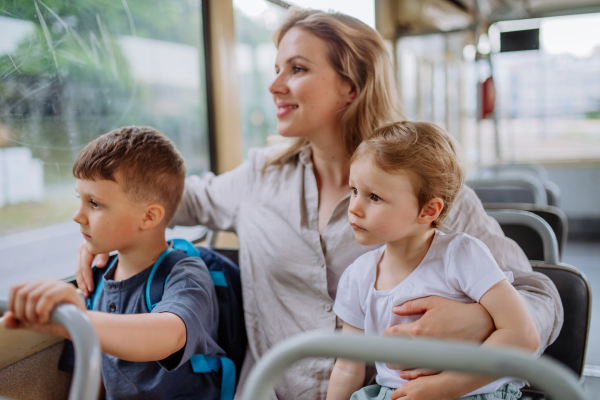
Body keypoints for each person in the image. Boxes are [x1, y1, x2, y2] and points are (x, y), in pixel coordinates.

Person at [74, 8, 563, 400]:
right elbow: (153, 201)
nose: (275, 85)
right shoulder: (257, 179)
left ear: (351, 87)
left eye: (298, 69)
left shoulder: (423, 191)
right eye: (277, 69)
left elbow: (541, 298)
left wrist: (482, 320)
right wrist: (100, 234)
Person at [4, 126, 223, 400]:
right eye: (79, 199)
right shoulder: (96, 278)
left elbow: (169, 335)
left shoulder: (186, 275)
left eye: (94, 203)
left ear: (149, 217)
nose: (77, 216)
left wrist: (78, 320)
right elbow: (93, 366)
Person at [327, 121, 540, 400]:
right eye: (354, 190)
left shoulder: (461, 255)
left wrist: (444, 387)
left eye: (374, 197)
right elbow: (347, 367)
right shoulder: (358, 276)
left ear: (428, 210)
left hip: (468, 392)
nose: (354, 207)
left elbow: (523, 335)